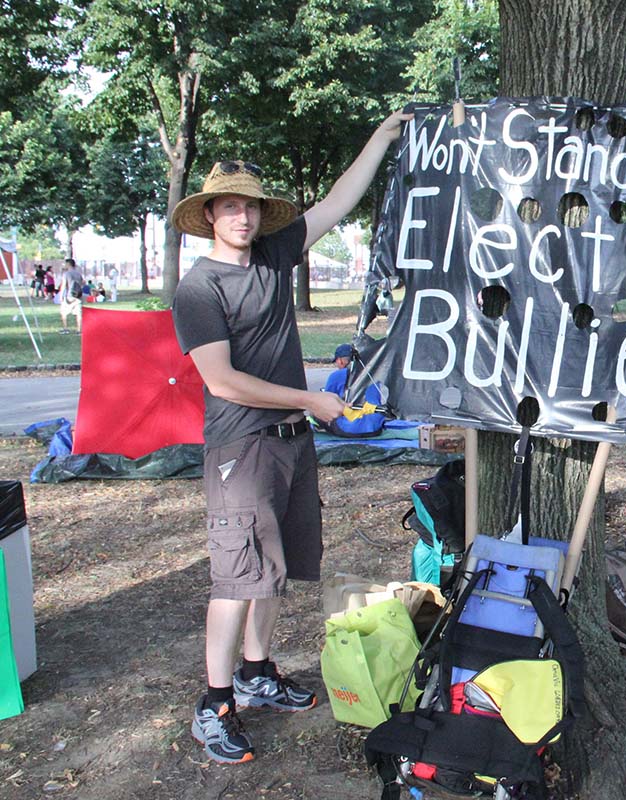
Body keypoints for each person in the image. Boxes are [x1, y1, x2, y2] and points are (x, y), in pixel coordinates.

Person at [171, 109, 412, 766]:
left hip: (290, 443)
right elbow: (221, 381)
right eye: (230, 208)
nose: (243, 218)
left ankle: (257, 672)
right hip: (240, 449)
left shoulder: (275, 254)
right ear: (210, 214)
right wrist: (314, 399)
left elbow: (338, 200)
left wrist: (381, 137)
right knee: (236, 577)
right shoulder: (198, 288)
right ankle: (214, 702)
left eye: (251, 207)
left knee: (274, 574)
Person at [59, 259, 84, 333]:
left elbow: (63, 285)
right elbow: (82, 283)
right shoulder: (78, 274)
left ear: (69, 264)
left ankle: (65, 328)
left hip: (69, 295)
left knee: (64, 312)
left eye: (66, 264)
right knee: (78, 313)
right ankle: (79, 329)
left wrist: (61, 296)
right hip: (78, 295)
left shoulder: (66, 274)